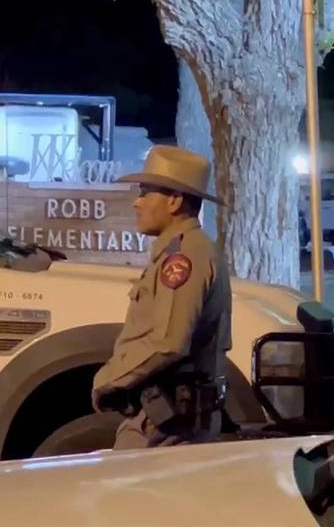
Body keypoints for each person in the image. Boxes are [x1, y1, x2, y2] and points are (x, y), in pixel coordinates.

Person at [92, 145, 231, 449]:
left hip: (164, 421)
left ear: (174, 200)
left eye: (145, 193)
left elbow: (169, 342)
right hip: (167, 415)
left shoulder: (183, 256)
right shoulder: (186, 249)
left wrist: (109, 379)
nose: (136, 202)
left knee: (125, 481)